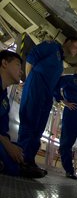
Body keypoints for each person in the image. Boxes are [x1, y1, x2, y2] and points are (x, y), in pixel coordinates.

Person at [18, 37, 77, 174]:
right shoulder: (52, 46)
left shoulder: (60, 63)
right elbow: (32, 57)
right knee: (29, 124)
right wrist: (29, 80)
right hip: (36, 86)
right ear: (68, 42)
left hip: (47, 95)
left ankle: (28, 160)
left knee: (39, 127)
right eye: (76, 46)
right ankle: (20, 161)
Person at [0, 50, 44, 178]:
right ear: (4, 63)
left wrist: (10, 146)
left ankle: (11, 165)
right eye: (18, 65)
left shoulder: (4, 101)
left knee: (18, 149)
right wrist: (7, 145)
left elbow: (3, 129)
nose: (22, 71)